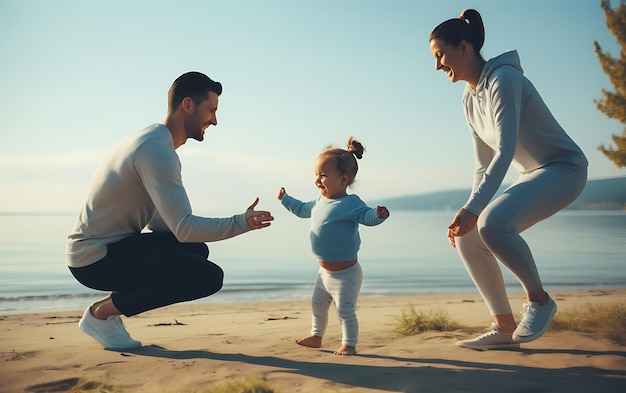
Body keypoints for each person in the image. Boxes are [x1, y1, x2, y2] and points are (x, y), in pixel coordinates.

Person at [67, 71, 274, 350]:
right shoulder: (156, 150)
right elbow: (184, 228)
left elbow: (163, 222)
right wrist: (241, 223)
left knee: (196, 252)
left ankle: (105, 311)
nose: (214, 120)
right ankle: (101, 315)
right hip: (95, 259)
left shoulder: (152, 141)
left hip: (109, 249)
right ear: (188, 105)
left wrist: (185, 233)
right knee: (208, 277)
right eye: (211, 110)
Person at [429, 9, 588, 350]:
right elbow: (481, 164)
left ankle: (539, 301)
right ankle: (503, 328)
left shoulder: (505, 79)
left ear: (464, 47)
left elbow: (505, 148)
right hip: (530, 174)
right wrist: (468, 208)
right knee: (469, 236)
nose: (437, 65)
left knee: (492, 223)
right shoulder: (469, 99)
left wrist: (476, 209)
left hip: (564, 169)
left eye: (441, 55)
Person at [277, 137, 390, 356]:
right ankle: (317, 336)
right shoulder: (320, 201)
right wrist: (286, 199)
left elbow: (366, 216)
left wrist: (377, 215)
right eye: (316, 175)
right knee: (317, 306)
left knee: (345, 311)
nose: (318, 180)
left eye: (323, 175)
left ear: (343, 179)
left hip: (346, 274)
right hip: (324, 272)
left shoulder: (351, 203)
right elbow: (301, 209)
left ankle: (349, 344)